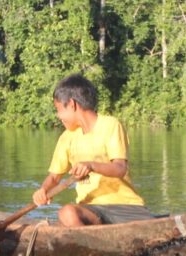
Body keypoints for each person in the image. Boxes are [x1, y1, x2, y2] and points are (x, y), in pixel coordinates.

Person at [33, 74, 153, 227]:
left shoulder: (110, 125)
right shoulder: (67, 138)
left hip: (124, 206)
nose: (58, 116)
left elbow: (120, 168)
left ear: (71, 104)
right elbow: (54, 177)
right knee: (67, 213)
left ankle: (89, 244)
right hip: (90, 210)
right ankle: (90, 246)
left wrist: (91, 165)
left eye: (58, 109)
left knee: (67, 215)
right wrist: (43, 190)